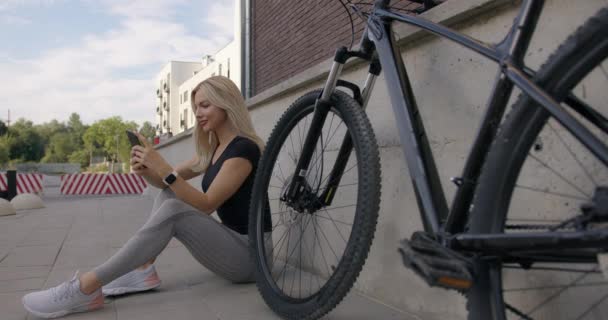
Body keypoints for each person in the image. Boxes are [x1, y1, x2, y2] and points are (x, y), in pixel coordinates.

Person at [22, 76, 272, 319]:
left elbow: (207, 205)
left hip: (253, 259)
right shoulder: (215, 149)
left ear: (227, 104)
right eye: (196, 107)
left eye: (205, 105)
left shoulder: (243, 150)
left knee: (175, 208)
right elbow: (168, 182)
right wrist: (147, 170)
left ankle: (84, 287)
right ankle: (142, 269)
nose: (197, 113)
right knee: (167, 193)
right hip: (235, 245)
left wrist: (162, 167)